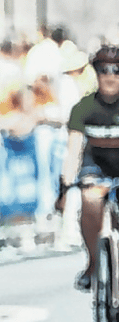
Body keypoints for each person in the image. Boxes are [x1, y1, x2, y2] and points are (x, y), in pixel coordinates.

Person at [56, 46, 119, 290]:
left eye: (117, 70)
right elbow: (73, 152)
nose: (110, 75)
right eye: (103, 70)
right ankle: (94, 263)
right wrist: (64, 186)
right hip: (97, 166)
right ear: (96, 73)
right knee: (90, 199)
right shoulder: (83, 108)